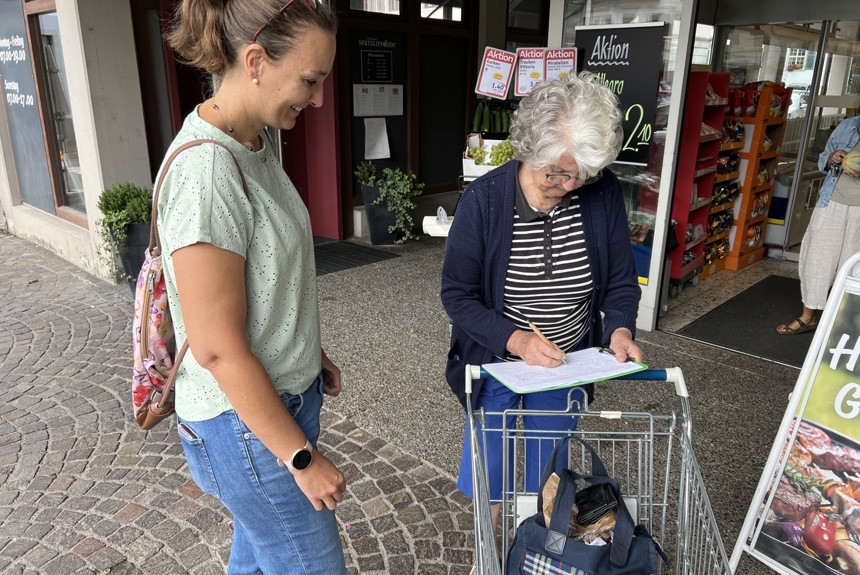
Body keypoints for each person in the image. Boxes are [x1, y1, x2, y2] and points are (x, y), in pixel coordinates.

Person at [159, 1, 347, 573]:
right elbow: (215, 346)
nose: (316, 100)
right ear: (257, 60)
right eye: (310, 81)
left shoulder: (259, 142)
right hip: (246, 430)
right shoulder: (208, 174)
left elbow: (265, 276)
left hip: (271, 405)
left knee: (259, 559)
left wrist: (304, 349)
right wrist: (299, 456)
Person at [440, 71, 644, 529]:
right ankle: (489, 552)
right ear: (531, 151)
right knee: (489, 473)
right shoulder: (485, 200)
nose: (570, 186)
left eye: (581, 175)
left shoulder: (601, 192)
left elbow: (619, 280)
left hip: (565, 360)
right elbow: (457, 295)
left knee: (547, 477)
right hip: (498, 358)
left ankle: (533, 550)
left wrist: (621, 328)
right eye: (559, 173)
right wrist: (515, 340)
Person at [776, 115, 860, 335]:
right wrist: (833, 158)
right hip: (832, 201)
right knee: (818, 258)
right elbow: (824, 160)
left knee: (853, 266)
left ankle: (843, 323)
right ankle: (808, 317)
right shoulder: (849, 126)